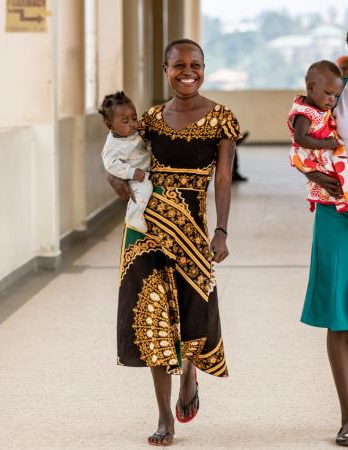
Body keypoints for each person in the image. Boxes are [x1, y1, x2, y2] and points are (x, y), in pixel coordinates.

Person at [108, 39, 240, 446]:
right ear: (165, 69)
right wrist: (114, 179)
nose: (188, 71)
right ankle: (164, 416)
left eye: (195, 64)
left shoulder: (222, 119)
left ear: (204, 68)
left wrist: (221, 231)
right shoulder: (147, 118)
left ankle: (190, 375)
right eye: (179, 64)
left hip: (194, 231)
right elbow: (119, 152)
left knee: (192, 315)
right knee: (152, 319)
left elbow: (222, 178)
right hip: (146, 232)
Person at [293, 26, 348, 446]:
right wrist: (310, 171)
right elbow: (298, 137)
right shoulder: (335, 87)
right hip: (337, 213)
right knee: (338, 315)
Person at [288, 60, 348, 213]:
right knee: (336, 185)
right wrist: (326, 144)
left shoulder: (319, 106)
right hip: (317, 156)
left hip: (325, 152)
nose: (332, 100)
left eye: (335, 96)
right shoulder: (305, 112)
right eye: (329, 94)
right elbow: (300, 139)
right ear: (311, 87)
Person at [99, 91, 153, 233]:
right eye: (125, 121)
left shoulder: (133, 131)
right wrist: (132, 172)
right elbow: (110, 164)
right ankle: (134, 217)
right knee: (144, 190)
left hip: (146, 169)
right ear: (110, 125)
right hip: (134, 177)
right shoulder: (113, 145)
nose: (133, 124)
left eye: (134, 118)